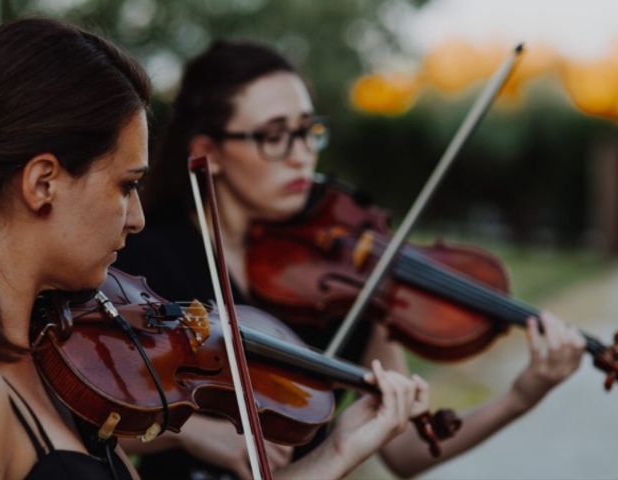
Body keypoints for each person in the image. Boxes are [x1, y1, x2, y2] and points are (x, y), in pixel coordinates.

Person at [0, 18, 430, 480]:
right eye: (126, 185)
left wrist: (338, 450)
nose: (137, 217)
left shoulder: (58, 372)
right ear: (42, 183)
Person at [116, 39, 587, 479]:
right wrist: (198, 433)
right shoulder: (142, 262)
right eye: (275, 136)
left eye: (307, 131)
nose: (302, 155)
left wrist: (523, 395)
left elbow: (405, 452)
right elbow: (86, 417)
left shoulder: (347, 283)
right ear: (208, 153)